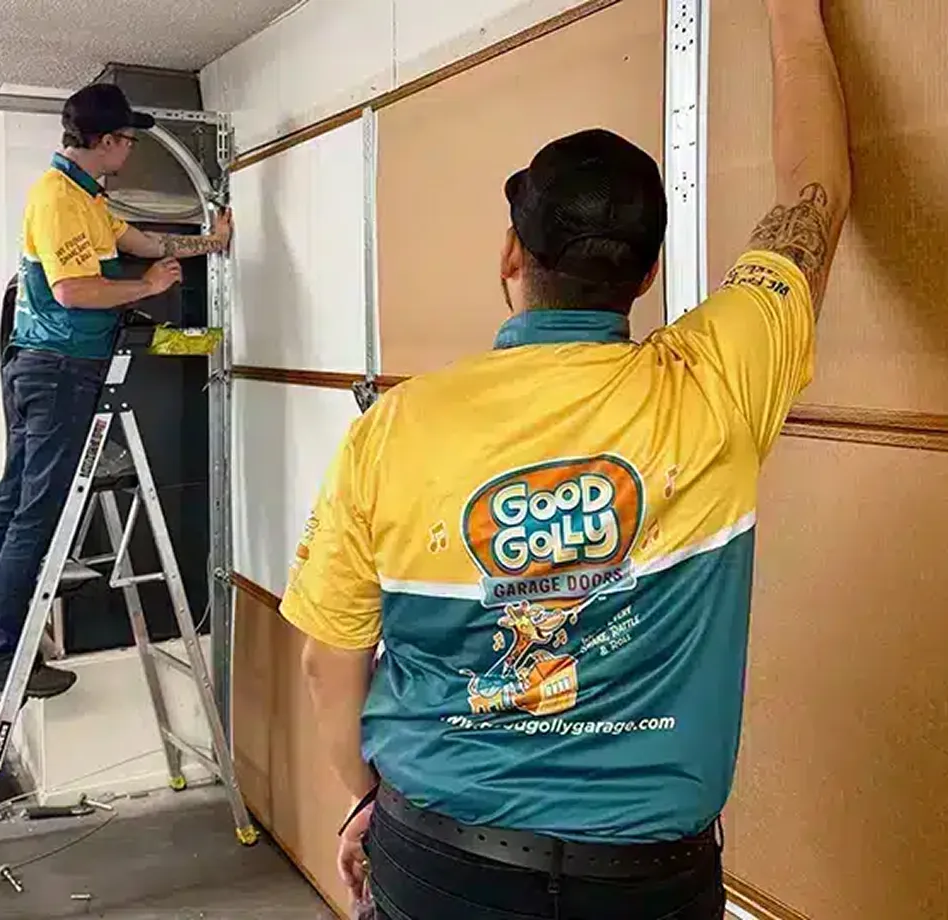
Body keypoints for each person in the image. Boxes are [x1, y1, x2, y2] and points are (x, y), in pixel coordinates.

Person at [279, 1, 851, 917]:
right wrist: (794, 16)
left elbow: (325, 664)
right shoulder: (718, 379)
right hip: (649, 884)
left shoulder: (397, 428)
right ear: (651, 272)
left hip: (442, 860)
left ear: (513, 252)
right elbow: (814, 199)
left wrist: (365, 800)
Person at [0, 82, 235, 699]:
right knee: (35, 516)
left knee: (13, 507)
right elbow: (74, 290)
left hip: (47, 369)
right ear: (106, 141)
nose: (131, 149)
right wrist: (147, 287)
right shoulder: (57, 200)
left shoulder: (88, 200)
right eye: (128, 140)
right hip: (57, 370)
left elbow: (146, 243)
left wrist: (208, 243)